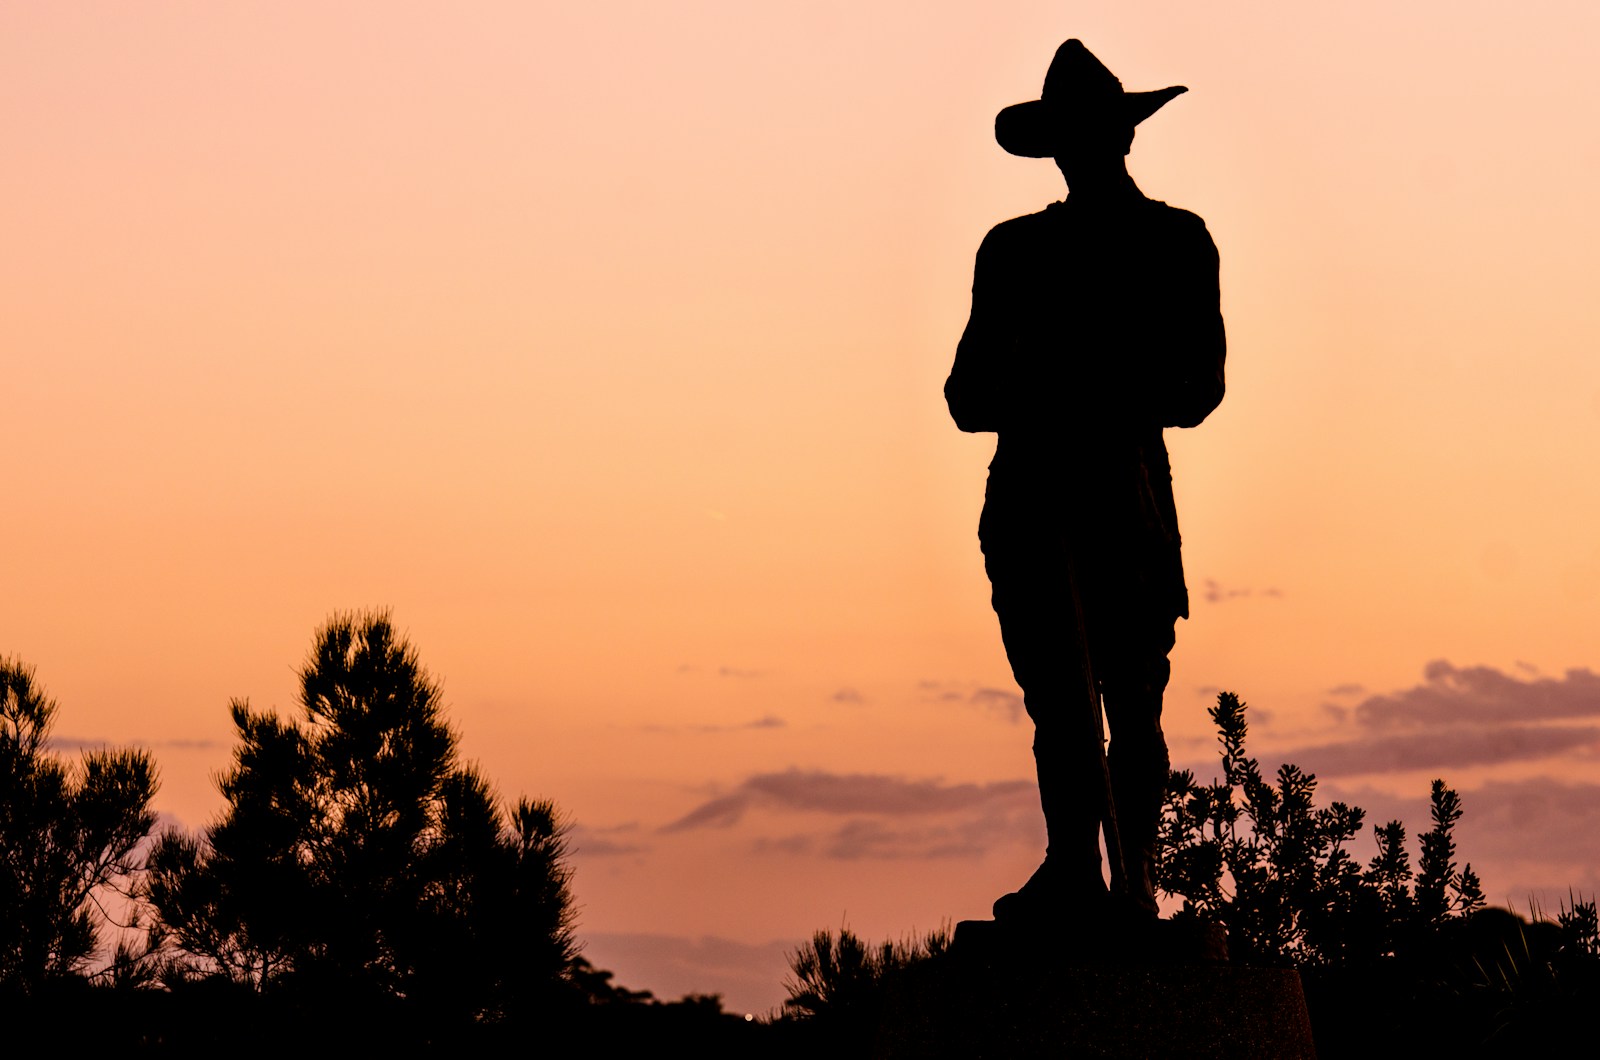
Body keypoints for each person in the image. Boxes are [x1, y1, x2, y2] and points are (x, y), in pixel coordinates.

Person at [945, 40, 1225, 928]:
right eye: (1067, 136)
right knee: (1059, 703)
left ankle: (1134, 877)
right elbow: (964, 396)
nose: (1081, 149)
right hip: (1029, 499)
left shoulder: (1175, 241)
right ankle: (1073, 867)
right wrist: (1029, 385)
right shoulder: (1014, 251)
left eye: (1094, 132)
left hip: (1126, 497)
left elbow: (1202, 386)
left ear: (1124, 136)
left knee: (1133, 698)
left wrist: (1108, 384)